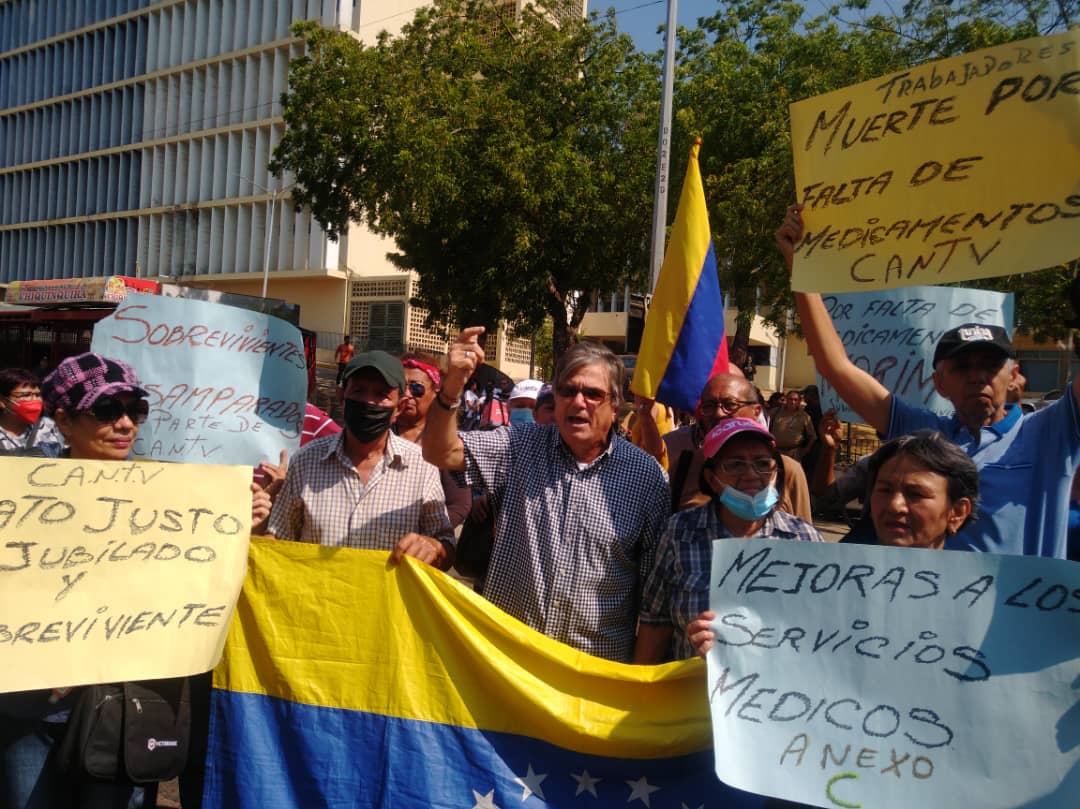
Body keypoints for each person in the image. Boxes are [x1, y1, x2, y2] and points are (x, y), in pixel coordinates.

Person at [0, 353, 271, 809]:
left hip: (127, 708)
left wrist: (240, 528)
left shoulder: (169, 495)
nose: (125, 424)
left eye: (135, 411)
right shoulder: (18, 487)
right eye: (107, 411)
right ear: (63, 420)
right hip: (33, 708)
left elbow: (194, 584)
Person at [777, 204, 1080, 559]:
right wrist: (801, 265)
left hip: (1021, 612)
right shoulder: (923, 435)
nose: (977, 375)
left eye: (990, 364)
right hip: (928, 607)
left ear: (1013, 375)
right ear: (939, 383)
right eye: (962, 366)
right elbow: (835, 366)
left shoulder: (1052, 431)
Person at [423, 329, 670, 663]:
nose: (578, 402)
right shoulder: (519, 446)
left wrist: (642, 691)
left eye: (593, 394)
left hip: (594, 676)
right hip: (508, 665)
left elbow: (655, 599)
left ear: (615, 407)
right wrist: (452, 386)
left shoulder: (647, 477)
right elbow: (440, 451)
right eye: (568, 391)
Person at [634, 418, 823, 663]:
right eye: (735, 465)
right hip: (692, 694)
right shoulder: (681, 533)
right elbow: (655, 620)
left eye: (763, 463)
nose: (751, 475)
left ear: (776, 472)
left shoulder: (803, 539)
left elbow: (825, 628)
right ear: (712, 479)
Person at [264, 351, 455, 570]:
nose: (368, 401)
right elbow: (279, 539)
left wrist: (433, 547)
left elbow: (446, 548)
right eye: (358, 390)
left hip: (385, 603)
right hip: (315, 601)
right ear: (341, 397)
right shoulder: (306, 461)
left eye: (381, 394)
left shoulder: (422, 468)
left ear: (399, 408)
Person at [640, 372, 813, 521]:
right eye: (709, 406)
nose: (718, 413)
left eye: (730, 405)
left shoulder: (788, 471)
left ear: (757, 411)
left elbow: (805, 551)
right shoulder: (684, 467)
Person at [858, 430, 978, 550]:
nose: (894, 506)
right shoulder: (842, 564)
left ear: (957, 513)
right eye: (885, 490)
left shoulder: (977, 569)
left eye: (916, 494)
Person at [394, 355, 471, 529]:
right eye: (401, 387)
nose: (407, 395)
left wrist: (427, 535)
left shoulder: (446, 444)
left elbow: (459, 506)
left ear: (435, 393)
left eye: (416, 388)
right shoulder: (379, 433)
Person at [0, 367, 64, 456]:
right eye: (26, 395)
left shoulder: (50, 427)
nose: (35, 400)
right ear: (2, 401)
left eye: (37, 395)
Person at [769, 389, 816, 461]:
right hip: (775, 451)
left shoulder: (804, 416)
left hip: (794, 453)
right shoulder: (775, 412)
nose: (792, 402)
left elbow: (812, 436)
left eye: (795, 400)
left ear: (799, 401)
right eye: (790, 399)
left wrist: (805, 451)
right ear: (786, 400)